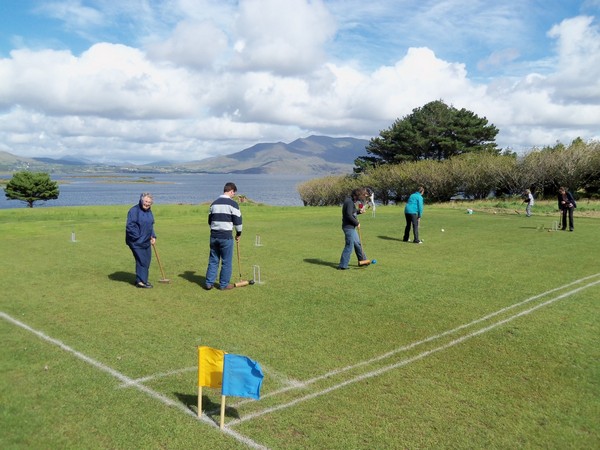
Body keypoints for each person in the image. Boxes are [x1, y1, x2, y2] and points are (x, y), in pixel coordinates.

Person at [205, 182, 243, 290]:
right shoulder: (233, 204)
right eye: (233, 193)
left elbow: (209, 221)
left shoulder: (213, 204)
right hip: (226, 237)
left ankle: (209, 283)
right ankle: (224, 284)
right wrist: (238, 234)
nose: (233, 195)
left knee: (213, 260)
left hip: (214, 236)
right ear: (231, 191)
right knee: (226, 261)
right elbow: (238, 222)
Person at [125, 193, 156, 288]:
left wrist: (153, 236)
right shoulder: (134, 211)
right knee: (143, 261)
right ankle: (142, 282)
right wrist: (139, 237)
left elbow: (150, 225)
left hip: (146, 241)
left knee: (146, 260)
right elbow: (130, 226)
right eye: (146, 201)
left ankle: (139, 279)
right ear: (141, 200)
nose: (147, 204)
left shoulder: (149, 211)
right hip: (136, 242)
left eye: (149, 202)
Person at [338, 187, 368, 270]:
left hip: (351, 227)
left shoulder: (350, 201)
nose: (359, 199)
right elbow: (348, 215)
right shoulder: (349, 202)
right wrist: (356, 223)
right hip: (348, 227)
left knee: (357, 243)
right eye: (359, 197)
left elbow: (352, 213)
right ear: (355, 196)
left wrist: (359, 211)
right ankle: (343, 265)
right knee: (349, 245)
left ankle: (363, 261)